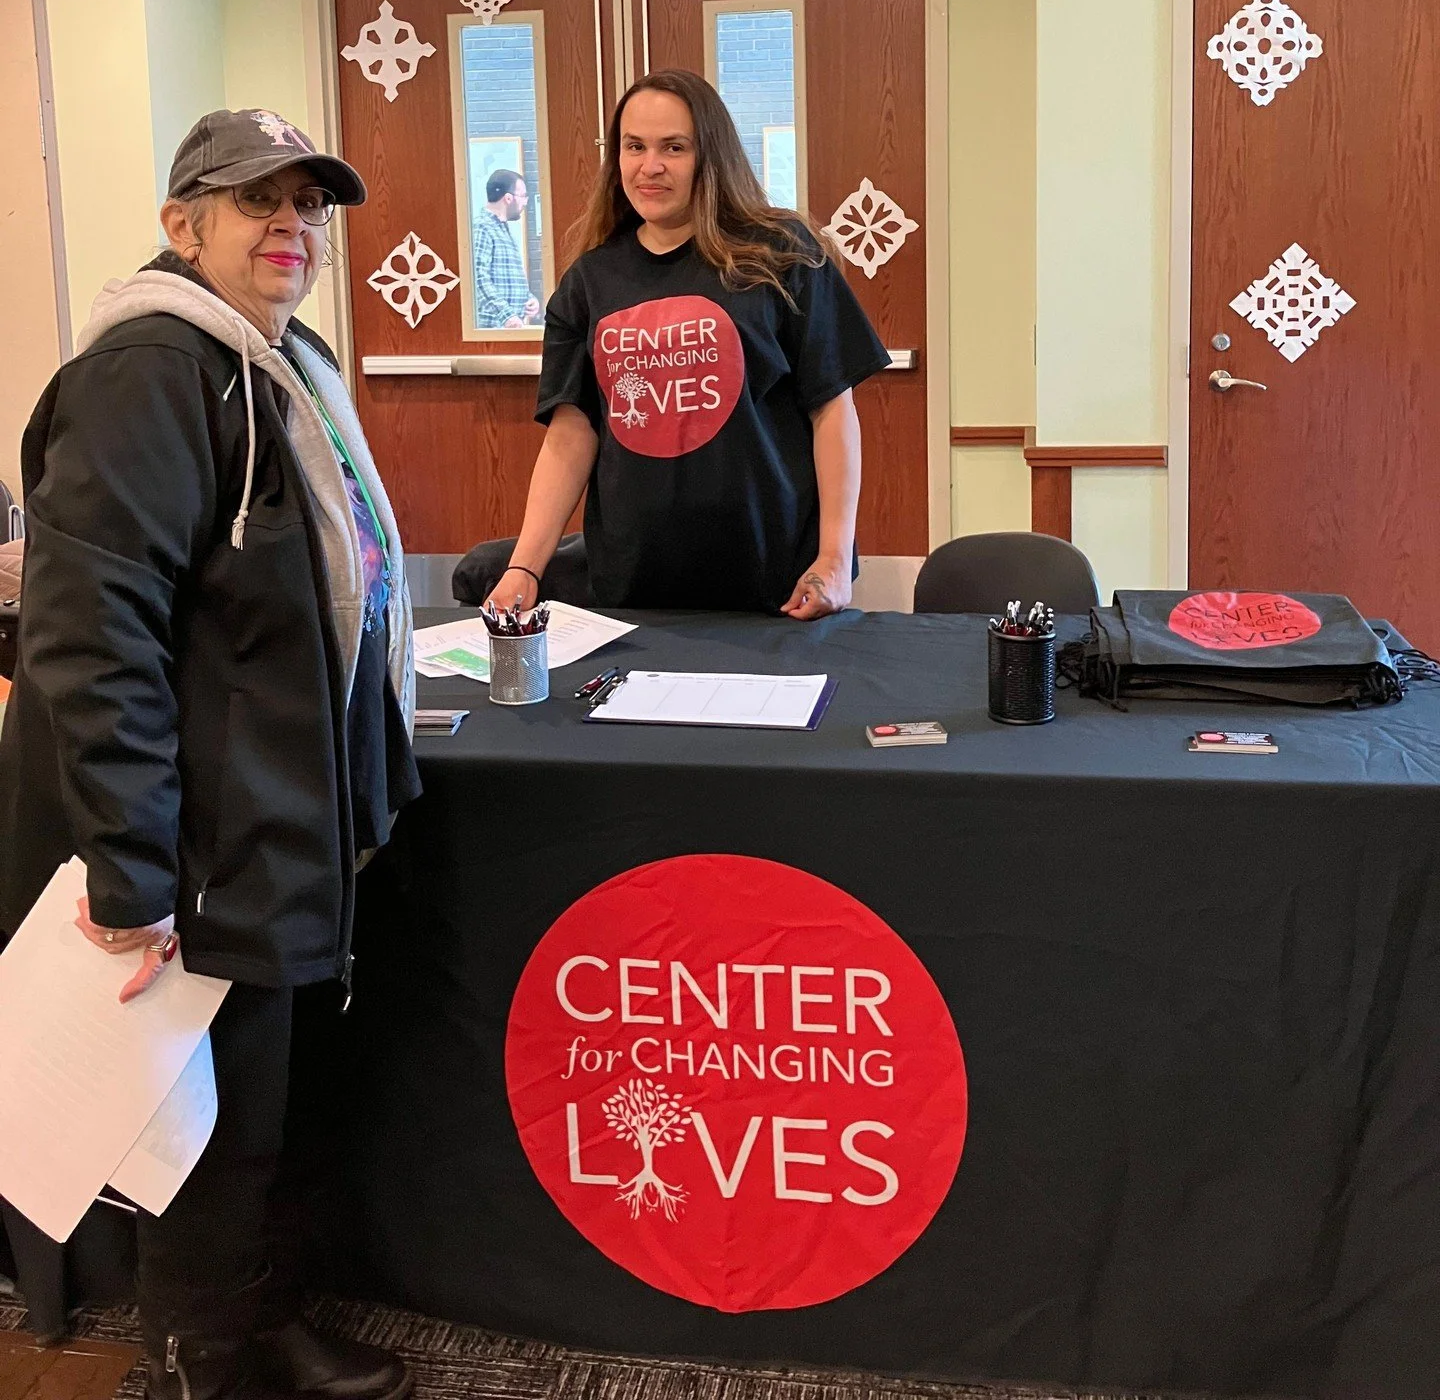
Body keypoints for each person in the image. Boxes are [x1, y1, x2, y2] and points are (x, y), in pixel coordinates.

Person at [0, 109, 421, 1400]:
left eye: (309, 206)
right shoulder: (150, 374)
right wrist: (131, 872)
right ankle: (203, 1361)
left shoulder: (278, 362)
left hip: (274, 815)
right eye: (258, 204)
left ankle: (255, 1322)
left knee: (255, 1110)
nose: (290, 227)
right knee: (202, 1126)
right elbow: (88, 634)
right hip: (195, 837)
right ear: (183, 227)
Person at [486, 69, 890, 619]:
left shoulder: (782, 254)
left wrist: (834, 558)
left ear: (710, 156)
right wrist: (524, 567)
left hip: (777, 580)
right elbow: (570, 434)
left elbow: (832, 411)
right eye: (635, 146)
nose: (650, 166)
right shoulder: (589, 281)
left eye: (673, 147)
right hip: (634, 582)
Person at [472, 167, 539, 328]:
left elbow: (506, 279)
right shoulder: (482, 227)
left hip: (509, 329)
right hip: (493, 331)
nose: (525, 202)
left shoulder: (503, 230)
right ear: (508, 198)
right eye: (523, 196)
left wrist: (529, 299)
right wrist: (507, 316)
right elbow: (478, 279)